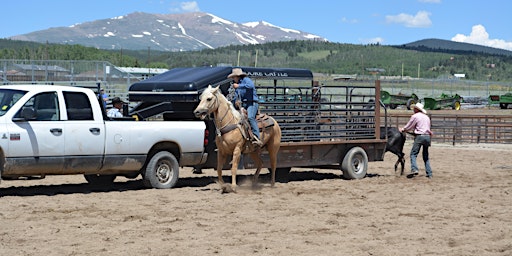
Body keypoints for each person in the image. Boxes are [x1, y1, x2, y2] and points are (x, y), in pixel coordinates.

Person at [227, 68, 262, 147]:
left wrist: (239, 86)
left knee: (250, 117)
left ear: (238, 76)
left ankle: (257, 137)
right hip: (243, 104)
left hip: (252, 103)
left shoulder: (246, 80)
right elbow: (236, 96)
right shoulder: (236, 85)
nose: (233, 79)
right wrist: (236, 102)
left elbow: (251, 86)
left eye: (234, 77)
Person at [400, 102, 433, 179]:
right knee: (425, 155)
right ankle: (429, 173)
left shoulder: (415, 116)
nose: (413, 109)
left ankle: (414, 169)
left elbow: (409, 126)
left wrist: (403, 129)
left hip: (420, 136)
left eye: (414, 108)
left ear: (416, 109)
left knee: (413, 154)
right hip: (427, 136)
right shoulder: (426, 117)